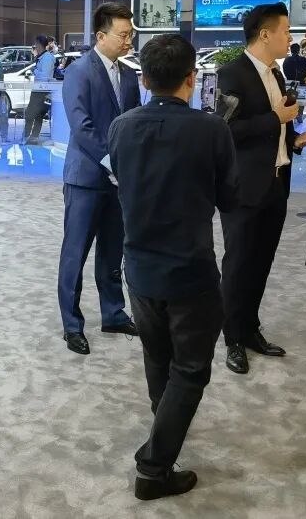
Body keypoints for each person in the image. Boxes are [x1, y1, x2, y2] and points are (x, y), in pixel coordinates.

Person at [108, 34, 239, 501]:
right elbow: (230, 197)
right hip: (190, 270)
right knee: (191, 368)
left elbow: (119, 180)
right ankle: (154, 466)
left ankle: (163, 431)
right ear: (192, 78)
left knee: (157, 357)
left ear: (143, 80)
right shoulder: (212, 130)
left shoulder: (120, 127)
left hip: (139, 266)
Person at [215, 2, 306, 375]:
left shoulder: (276, 74)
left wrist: (293, 141)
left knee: (261, 261)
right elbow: (225, 130)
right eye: (286, 31)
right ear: (264, 34)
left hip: (276, 183)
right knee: (238, 263)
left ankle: (249, 328)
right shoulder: (232, 74)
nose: (290, 38)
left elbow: (275, 131)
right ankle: (232, 338)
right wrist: (275, 118)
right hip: (244, 188)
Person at [56, 2, 142, 355]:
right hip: (87, 178)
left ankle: (113, 313)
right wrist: (112, 162)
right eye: (123, 34)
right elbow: (82, 126)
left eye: (131, 34)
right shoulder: (79, 72)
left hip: (119, 182)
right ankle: (72, 325)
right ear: (101, 36)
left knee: (113, 249)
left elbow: (134, 123)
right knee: (75, 253)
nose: (128, 40)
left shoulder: (130, 76)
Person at [25, 35, 56, 144]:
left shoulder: (47, 58)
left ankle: (32, 137)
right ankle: (27, 136)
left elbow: (45, 76)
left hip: (42, 91)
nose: (34, 46)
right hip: (38, 89)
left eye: (35, 43)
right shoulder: (42, 56)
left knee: (37, 115)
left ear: (39, 44)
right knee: (31, 114)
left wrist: (34, 71)